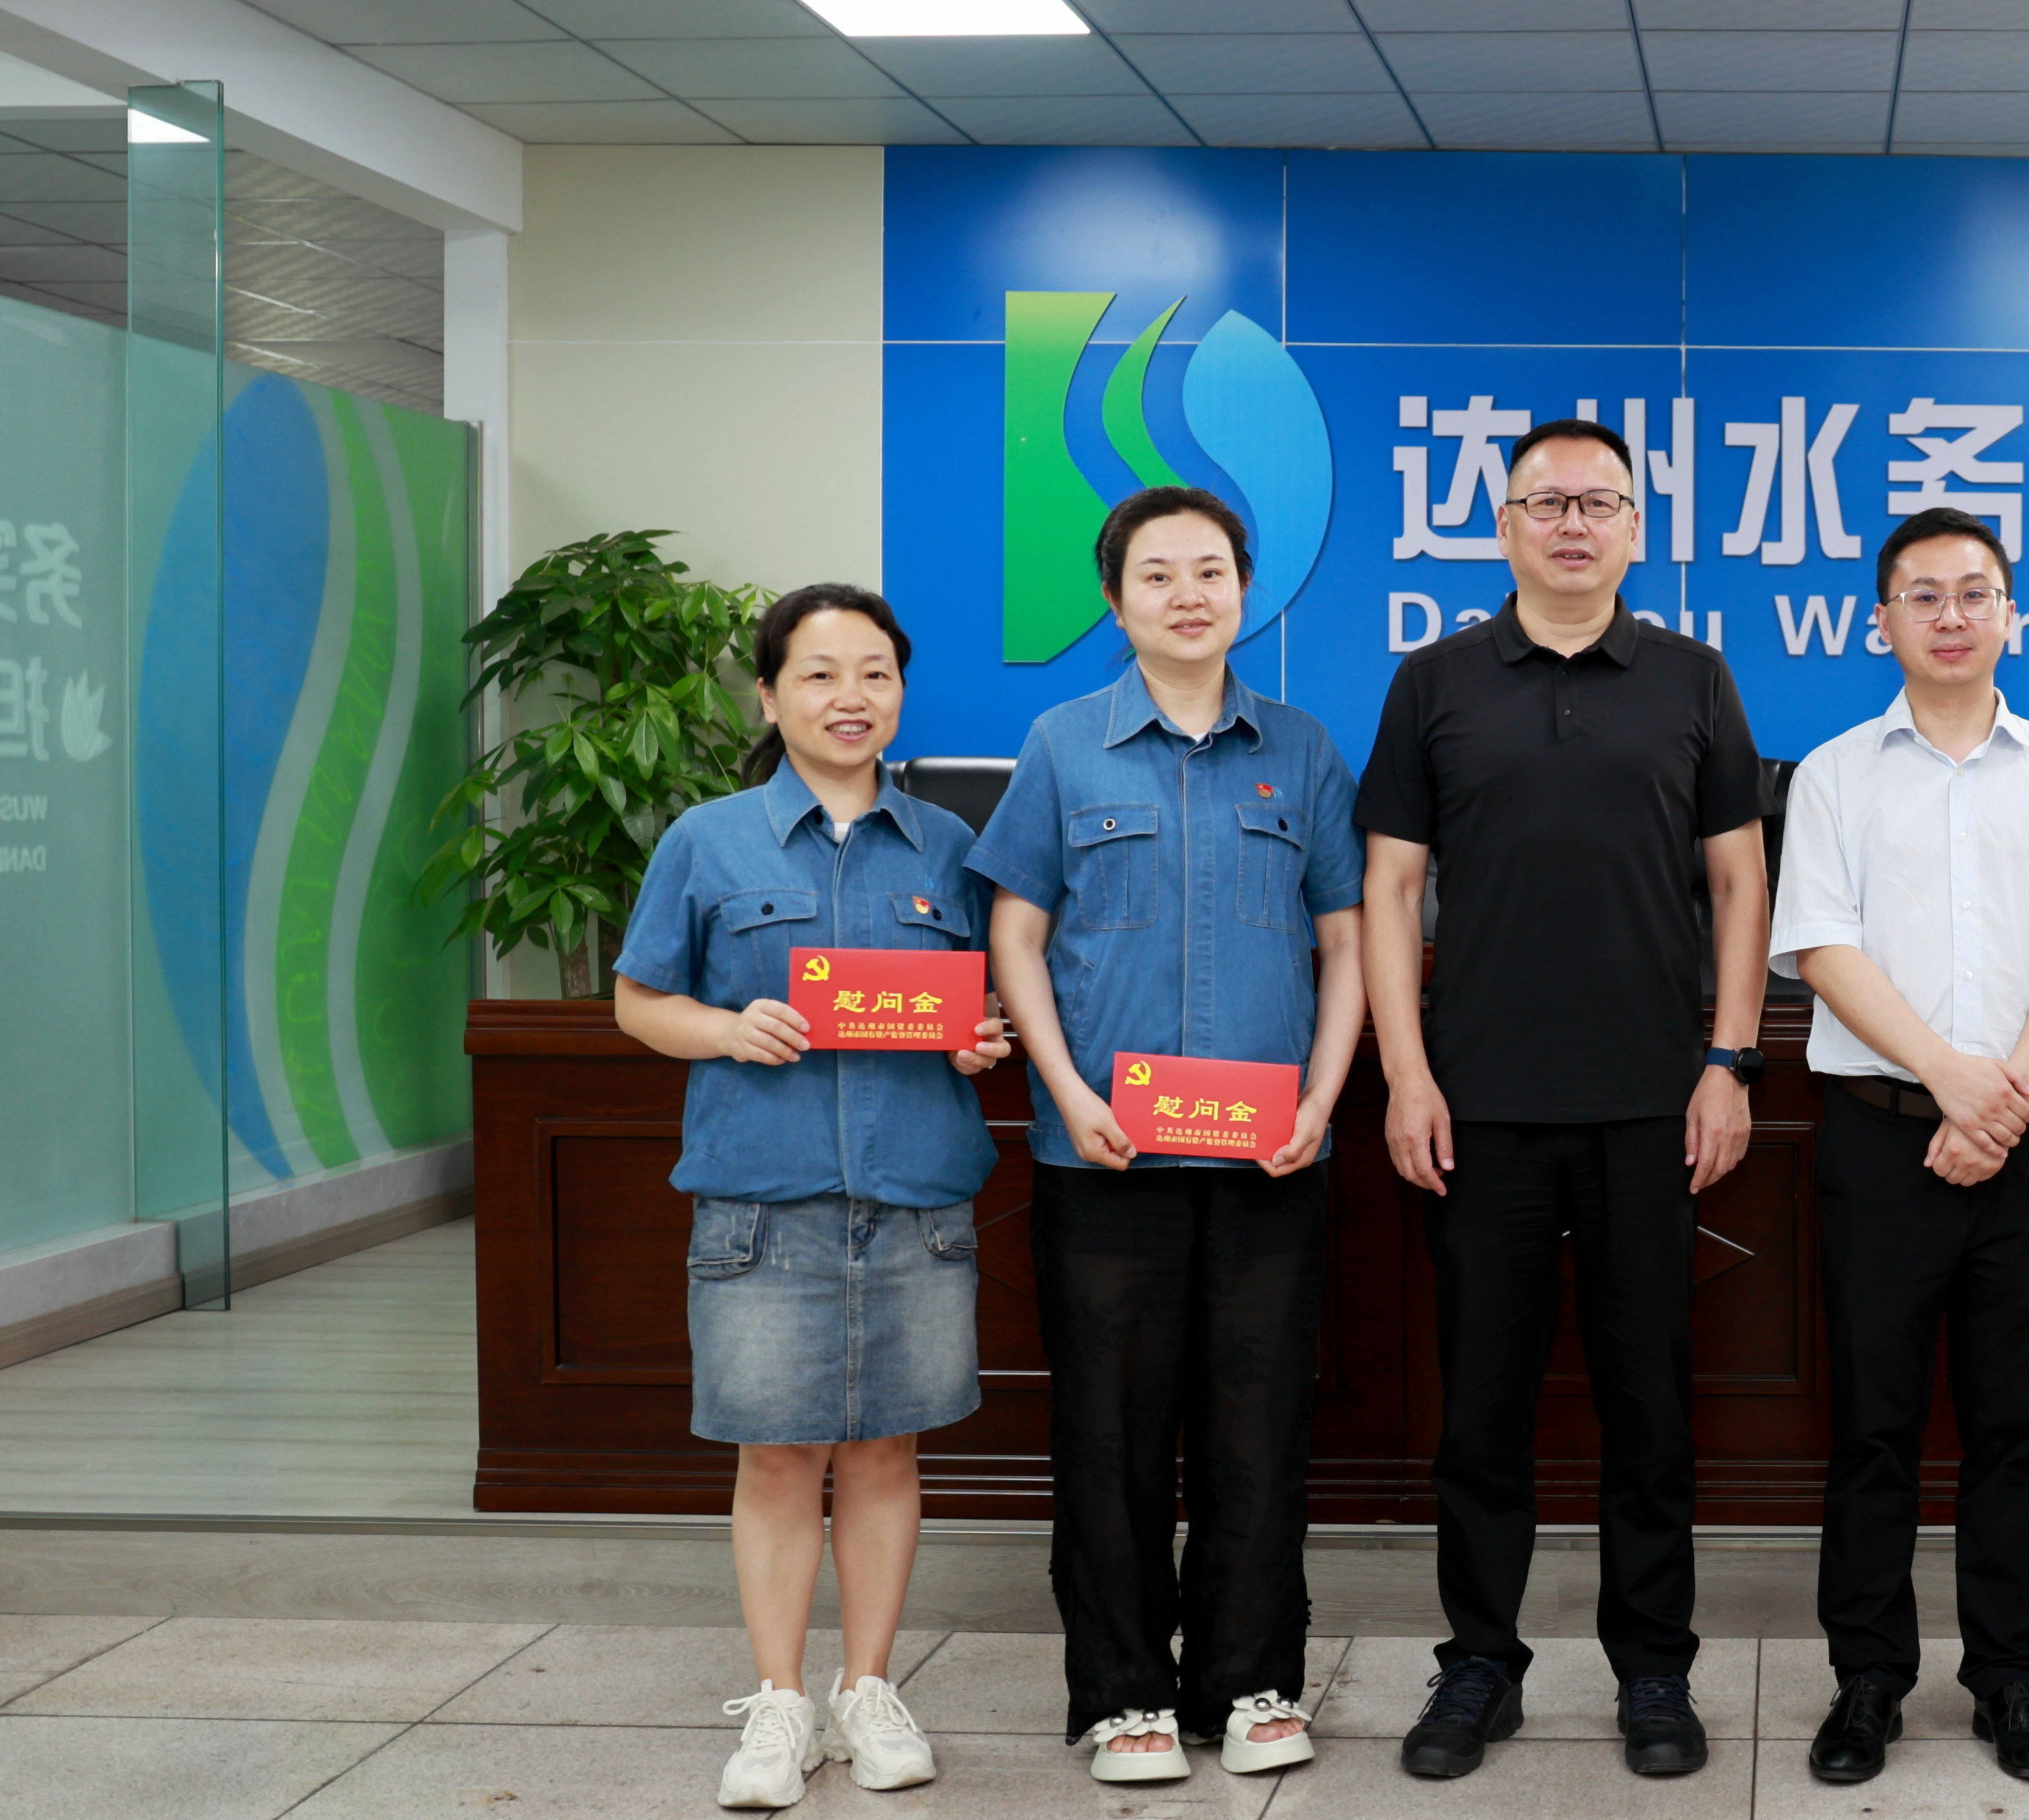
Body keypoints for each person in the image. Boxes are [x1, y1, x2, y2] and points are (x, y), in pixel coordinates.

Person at [1358, 416, 1773, 1780]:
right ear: (1505, 526)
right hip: (1477, 1107)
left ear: (1636, 528)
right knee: (1481, 1406)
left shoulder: (1694, 678)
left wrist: (1728, 1061)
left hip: (1653, 1105)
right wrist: (1406, 1073)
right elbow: (1390, 888)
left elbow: (1738, 882)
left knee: (1649, 1405)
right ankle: (1479, 1661)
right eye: (1547, 502)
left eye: (1600, 502)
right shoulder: (1434, 681)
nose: (1573, 523)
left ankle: (1655, 1667)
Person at [973, 487, 1367, 1786]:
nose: (1187, 594)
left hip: (1267, 1159)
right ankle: (1125, 1693)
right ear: (1115, 598)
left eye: (1210, 570)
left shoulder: (1300, 747)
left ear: (1246, 589)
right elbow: (1016, 933)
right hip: (1104, 1158)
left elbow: (1346, 939)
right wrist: (1066, 1089)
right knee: (1109, 1430)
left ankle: (1250, 1680)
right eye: (1157, 574)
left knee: (1258, 1426)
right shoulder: (1062, 743)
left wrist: (1320, 1101)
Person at [612, 584, 1012, 1810]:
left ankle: (869, 1688)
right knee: (779, 1454)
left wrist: (977, 1041)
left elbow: (984, 1000)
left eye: (875, 673)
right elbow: (638, 1001)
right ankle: (780, 1700)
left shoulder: (951, 846)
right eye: (822, 674)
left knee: (886, 1447)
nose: (852, 697)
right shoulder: (707, 839)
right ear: (770, 692)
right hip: (763, 1201)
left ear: (900, 691)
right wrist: (728, 1027)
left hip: (913, 1198)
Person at [1767, 508, 2029, 1788]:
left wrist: (2002, 1101)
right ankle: (1866, 1677)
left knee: (2014, 1426)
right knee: (1871, 1425)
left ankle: (2006, 1678)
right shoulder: (1832, 775)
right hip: (1878, 1141)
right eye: (1921, 595)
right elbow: (1823, 947)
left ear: (2011, 616)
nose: (1950, 615)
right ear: (1880, 621)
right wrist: (1950, 1078)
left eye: (1974, 592)